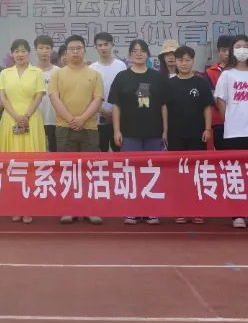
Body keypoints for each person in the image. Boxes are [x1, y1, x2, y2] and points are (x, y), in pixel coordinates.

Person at [213, 35, 248, 230]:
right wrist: (229, 119)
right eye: (238, 46)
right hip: (233, 132)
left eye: (245, 46)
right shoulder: (227, 75)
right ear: (232, 50)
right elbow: (220, 100)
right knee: (235, 173)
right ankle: (237, 213)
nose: (242, 50)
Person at [109, 39, 167, 226]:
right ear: (129, 55)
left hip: (154, 132)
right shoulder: (122, 77)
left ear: (148, 54)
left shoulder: (158, 77)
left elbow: (163, 106)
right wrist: (117, 130)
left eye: (142, 50)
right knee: (131, 171)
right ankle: (132, 210)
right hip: (129, 132)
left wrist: (165, 130)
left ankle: (151, 210)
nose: (139, 53)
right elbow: (116, 106)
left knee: (152, 171)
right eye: (134, 51)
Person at [48, 35, 104, 225]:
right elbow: (54, 98)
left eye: (78, 48)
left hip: (89, 128)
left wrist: (82, 119)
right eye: (71, 49)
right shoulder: (58, 74)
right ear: (66, 52)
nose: (75, 52)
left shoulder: (94, 74)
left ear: (84, 51)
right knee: (67, 170)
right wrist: (71, 119)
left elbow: (97, 99)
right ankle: (68, 209)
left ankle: (90, 209)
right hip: (65, 128)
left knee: (89, 170)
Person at [0, 40, 47, 223]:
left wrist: (25, 116)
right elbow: (3, 97)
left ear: (29, 53)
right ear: (12, 54)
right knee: (12, 163)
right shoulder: (5, 73)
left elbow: (39, 96)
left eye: (23, 51)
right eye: (16, 51)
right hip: (10, 119)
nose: (20, 54)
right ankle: (15, 206)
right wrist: (16, 116)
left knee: (30, 164)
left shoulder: (37, 72)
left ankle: (29, 207)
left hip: (31, 120)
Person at [162, 45, 214, 224]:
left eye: (187, 60)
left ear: (193, 61)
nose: (184, 63)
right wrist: (165, 131)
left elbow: (207, 107)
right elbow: (165, 109)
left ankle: (197, 209)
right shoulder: (169, 84)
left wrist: (207, 129)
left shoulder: (201, 82)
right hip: (175, 134)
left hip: (197, 134)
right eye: (180, 60)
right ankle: (181, 209)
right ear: (175, 62)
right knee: (178, 173)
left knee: (197, 172)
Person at [88, 32, 127, 154]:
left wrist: (115, 112)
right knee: (101, 152)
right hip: (99, 117)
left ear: (112, 45)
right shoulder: (92, 69)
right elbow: (89, 95)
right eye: (100, 45)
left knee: (119, 151)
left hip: (119, 118)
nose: (103, 48)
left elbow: (125, 91)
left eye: (106, 44)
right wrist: (102, 110)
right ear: (95, 47)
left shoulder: (121, 66)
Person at [33, 35, 60, 153]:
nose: (44, 51)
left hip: (55, 120)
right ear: (36, 50)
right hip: (35, 119)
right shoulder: (30, 72)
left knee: (55, 154)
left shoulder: (59, 72)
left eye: (47, 48)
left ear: (52, 50)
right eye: (41, 48)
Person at [205, 35, 233, 148]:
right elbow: (213, 97)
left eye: (230, 50)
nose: (227, 53)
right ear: (218, 51)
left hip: (239, 121)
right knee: (222, 155)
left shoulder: (241, 71)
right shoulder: (209, 72)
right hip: (219, 122)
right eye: (224, 50)